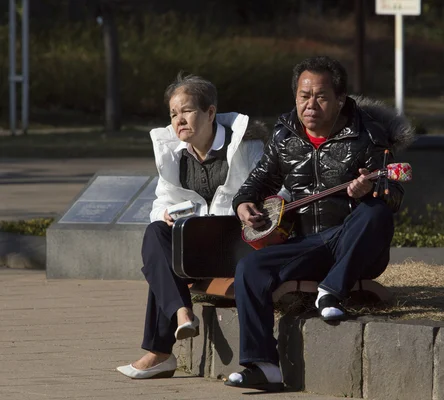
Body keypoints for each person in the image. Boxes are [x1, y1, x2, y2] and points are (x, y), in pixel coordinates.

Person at [224, 56, 413, 392]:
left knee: (376, 212)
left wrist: (370, 191)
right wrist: (243, 206)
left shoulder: (367, 135)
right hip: (307, 245)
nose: (310, 105)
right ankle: (262, 366)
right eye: (303, 96)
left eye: (321, 97)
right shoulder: (285, 136)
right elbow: (254, 185)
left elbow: (393, 195)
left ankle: (331, 292)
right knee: (251, 267)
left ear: (340, 101)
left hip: (353, 244)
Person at [116, 73, 268, 379]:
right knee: (156, 232)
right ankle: (182, 313)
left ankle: (160, 352)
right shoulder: (176, 156)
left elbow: (275, 190)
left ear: (210, 112)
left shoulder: (247, 147)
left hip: (238, 243)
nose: (179, 120)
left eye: (186, 111)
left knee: (163, 265)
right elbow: (161, 202)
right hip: (197, 246)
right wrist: (166, 214)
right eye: (173, 114)